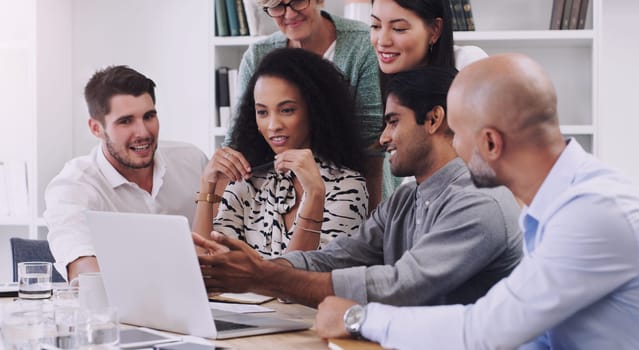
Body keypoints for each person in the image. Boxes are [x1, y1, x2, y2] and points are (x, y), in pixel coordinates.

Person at [315, 54, 639, 349]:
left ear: (490, 142)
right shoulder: (557, 203)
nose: (453, 146)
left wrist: (359, 317)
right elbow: (536, 335)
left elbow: (481, 331)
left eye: (455, 133)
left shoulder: (591, 213)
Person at [193, 66, 522, 308]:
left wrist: (262, 277)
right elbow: (337, 256)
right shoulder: (405, 200)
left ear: (434, 119)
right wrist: (260, 268)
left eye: (393, 122)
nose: (383, 138)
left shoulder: (481, 202)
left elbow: (403, 286)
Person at [193, 48, 368, 257]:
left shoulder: (347, 187)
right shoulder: (248, 181)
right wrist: (207, 185)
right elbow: (206, 264)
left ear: (315, 110)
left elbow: (305, 276)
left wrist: (314, 194)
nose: (273, 125)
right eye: (262, 112)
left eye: (287, 110)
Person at [44, 65, 208, 281]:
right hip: (119, 310)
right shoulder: (73, 185)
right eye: (126, 121)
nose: (143, 132)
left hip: (204, 303)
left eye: (149, 116)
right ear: (96, 128)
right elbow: (82, 267)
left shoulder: (193, 161)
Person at [224, 0, 384, 210]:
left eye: (298, 1)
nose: (289, 14)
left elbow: (372, 152)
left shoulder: (362, 46)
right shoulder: (257, 55)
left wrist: (370, 229)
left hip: (350, 198)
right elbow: (238, 139)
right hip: (276, 203)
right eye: (277, 6)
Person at [371, 0, 488, 194]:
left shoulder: (467, 65)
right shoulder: (392, 84)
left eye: (399, 28)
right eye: (375, 26)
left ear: (434, 30)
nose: (382, 40)